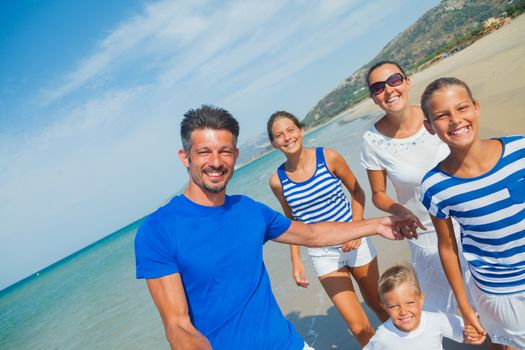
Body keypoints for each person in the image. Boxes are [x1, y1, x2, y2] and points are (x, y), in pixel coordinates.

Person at [134, 105, 417, 350]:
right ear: (185, 157)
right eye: (204, 152)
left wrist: (378, 224)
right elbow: (178, 326)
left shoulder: (247, 210)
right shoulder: (157, 230)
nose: (216, 162)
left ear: (235, 155)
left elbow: (312, 233)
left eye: (225, 152)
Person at [420, 77, 525, 350]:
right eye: (442, 116)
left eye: (462, 108)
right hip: (500, 292)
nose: (455, 120)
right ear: (429, 127)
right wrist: (464, 307)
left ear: (476, 108)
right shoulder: (435, 186)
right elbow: (447, 248)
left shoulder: (520, 150)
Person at [267, 111, 388, 347]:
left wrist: (357, 230)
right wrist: (296, 260)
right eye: (279, 135)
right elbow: (291, 222)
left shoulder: (329, 157)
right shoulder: (277, 181)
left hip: (356, 242)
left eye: (291, 130)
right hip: (323, 253)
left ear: (301, 130)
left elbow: (357, 192)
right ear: (274, 143)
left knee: (378, 304)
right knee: (358, 327)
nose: (287, 137)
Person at [360, 60, 468, 313]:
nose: (388, 90)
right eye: (378, 87)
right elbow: (378, 194)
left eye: (395, 80)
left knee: (489, 299)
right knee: (447, 310)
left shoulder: (436, 114)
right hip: (424, 234)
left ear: (407, 82)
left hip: (467, 220)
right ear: (374, 98)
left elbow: (468, 154)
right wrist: (399, 210)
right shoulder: (372, 141)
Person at [363, 263, 484, 349]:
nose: (403, 312)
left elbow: (465, 335)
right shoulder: (383, 336)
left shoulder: (437, 320)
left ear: (421, 300)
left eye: (410, 303)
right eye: (394, 306)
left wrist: (473, 334)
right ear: (384, 307)